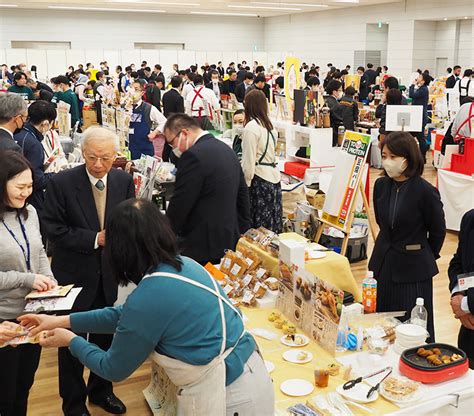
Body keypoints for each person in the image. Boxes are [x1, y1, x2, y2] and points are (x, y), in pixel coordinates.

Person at [20, 198, 274, 415]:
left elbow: (113, 368)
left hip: (230, 395)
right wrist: (61, 321)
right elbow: (126, 315)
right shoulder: (184, 264)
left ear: (120, 248)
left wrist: (71, 341)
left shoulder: (150, 295)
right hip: (253, 372)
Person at [41, 127, 134, 416]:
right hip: (73, 277)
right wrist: (95, 238)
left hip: (108, 274)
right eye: (91, 157)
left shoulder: (123, 181)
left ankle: (101, 391)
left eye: (105, 158)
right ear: (82, 153)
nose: (97, 164)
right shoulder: (62, 182)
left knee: (106, 337)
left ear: (115, 156)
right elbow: (52, 229)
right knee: (70, 341)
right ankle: (74, 404)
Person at [368, 131, 446, 342]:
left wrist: (424, 252)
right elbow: (381, 222)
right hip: (383, 263)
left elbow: (438, 231)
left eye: (393, 157)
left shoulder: (425, 191)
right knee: (382, 325)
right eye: (384, 156)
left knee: (412, 330)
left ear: (407, 158)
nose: (387, 162)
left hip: (413, 271)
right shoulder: (381, 185)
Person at [0, 150, 57, 416]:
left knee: (24, 386)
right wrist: (28, 279)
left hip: (32, 316)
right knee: (5, 394)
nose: (26, 193)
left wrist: (50, 280)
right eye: (20, 187)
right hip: (4, 320)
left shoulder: (30, 212)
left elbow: (39, 254)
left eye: (30, 186)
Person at [164, 114, 250, 265]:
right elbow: (243, 195)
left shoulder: (192, 157)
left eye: (172, 143)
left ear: (184, 133)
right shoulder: (227, 150)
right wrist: (243, 228)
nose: (174, 149)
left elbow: (181, 203)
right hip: (229, 239)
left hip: (200, 244)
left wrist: (165, 236)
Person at [242, 90, 282, 233]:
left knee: (259, 230)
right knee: (272, 225)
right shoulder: (270, 126)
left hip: (259, 181)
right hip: (274, 180)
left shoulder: (251, 128)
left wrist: (245, 187)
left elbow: (248, 162)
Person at [14, 100, 57, 214]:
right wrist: (57, 175)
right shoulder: (34, 144)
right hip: (26, 200)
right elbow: (37, 181)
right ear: (45, 124)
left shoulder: (17, 131)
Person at [449, 209, 474, 369]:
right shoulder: (470, 219)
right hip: (469, 329)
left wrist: (466, 304)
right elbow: (458, 262)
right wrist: (458, 294)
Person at [128, 80, 167, 159]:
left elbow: (164, 122)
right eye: (131, 89)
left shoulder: (148, 108)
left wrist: (155, 132)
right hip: (128, 148)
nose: (132, 92)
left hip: (144, 148)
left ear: (142, 93)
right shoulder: (125, 107)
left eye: (136, 89)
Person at [162, 76, 185, 162]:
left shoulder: (165, 95)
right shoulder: (179, 97)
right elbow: (181, 114)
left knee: (167, 143)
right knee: (175, 144)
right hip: (175, 124)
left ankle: (164, 160)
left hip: (167, 121)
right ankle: (175, 162)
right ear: (180, 85)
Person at [409, 72, 431, 157]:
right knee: (420, 136)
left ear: (423, 81)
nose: (417, 78)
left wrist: (412, 85)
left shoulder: (423, 89)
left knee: (420, 137)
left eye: (420, 77)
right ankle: (422, 155)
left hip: (420, 116)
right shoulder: (422, 88)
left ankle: (423, 154)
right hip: (418, 115)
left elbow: (412, 95)